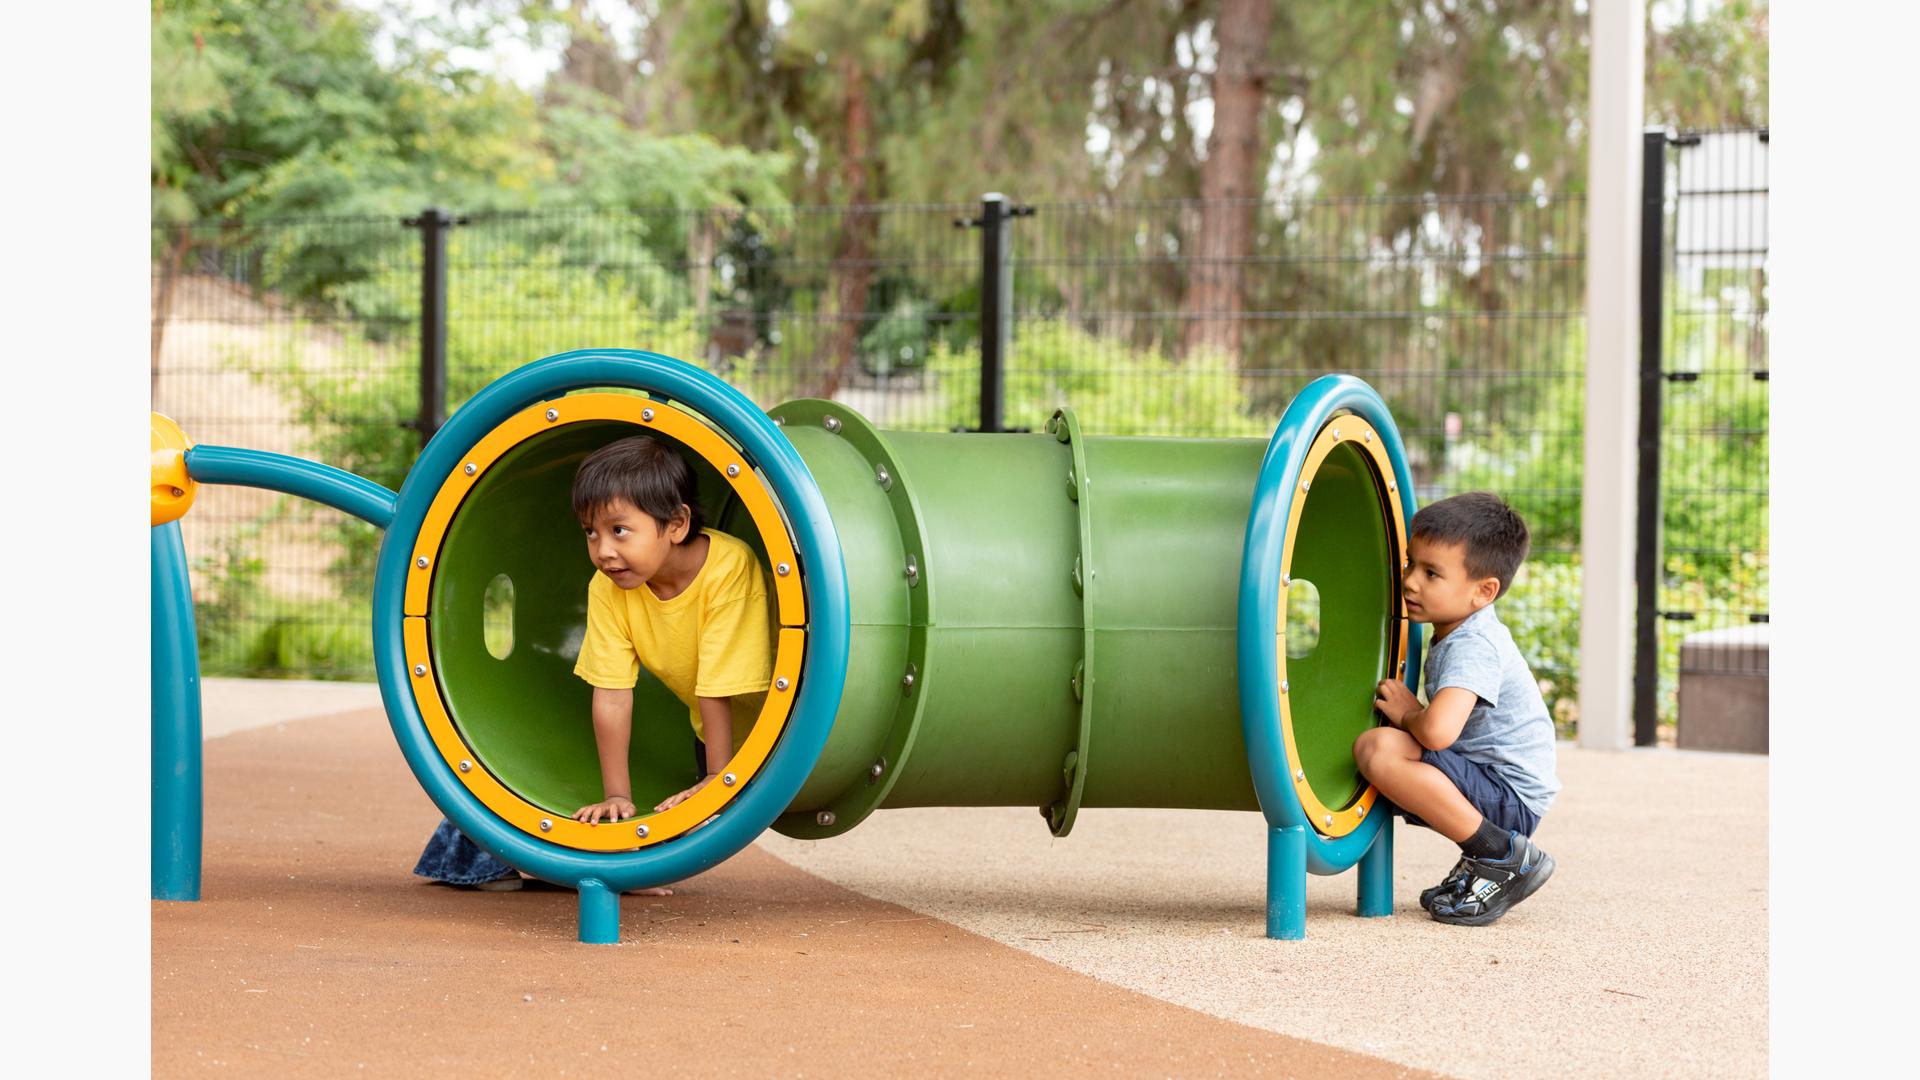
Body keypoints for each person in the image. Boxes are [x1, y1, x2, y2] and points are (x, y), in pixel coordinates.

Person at [413, 435, 772, 894]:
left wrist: (717, 781)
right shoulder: (609, 587)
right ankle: (524, 863)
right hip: (711, 736)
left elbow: (718, 685)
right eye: (591, 533)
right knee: (612, 829)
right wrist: (618, 796)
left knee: (704, 819)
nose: (603, 550)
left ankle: (609, 862)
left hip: (779, 729)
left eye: (620, 530)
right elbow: (613, 693)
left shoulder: (728, 567)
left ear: (677, 523)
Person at [1356, 491, 1560, 926]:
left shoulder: (1474, 644)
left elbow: (1438, 733)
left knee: (1380, 749)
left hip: (1509, 795)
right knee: (1388, 750)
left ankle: (1502, 854)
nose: (1410, 581)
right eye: (1411, 564)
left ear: (1483, 592)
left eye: (1432, 574)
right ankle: (1485, 860)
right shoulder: (1459, 629)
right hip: (1494, 779)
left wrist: (1410, 712)